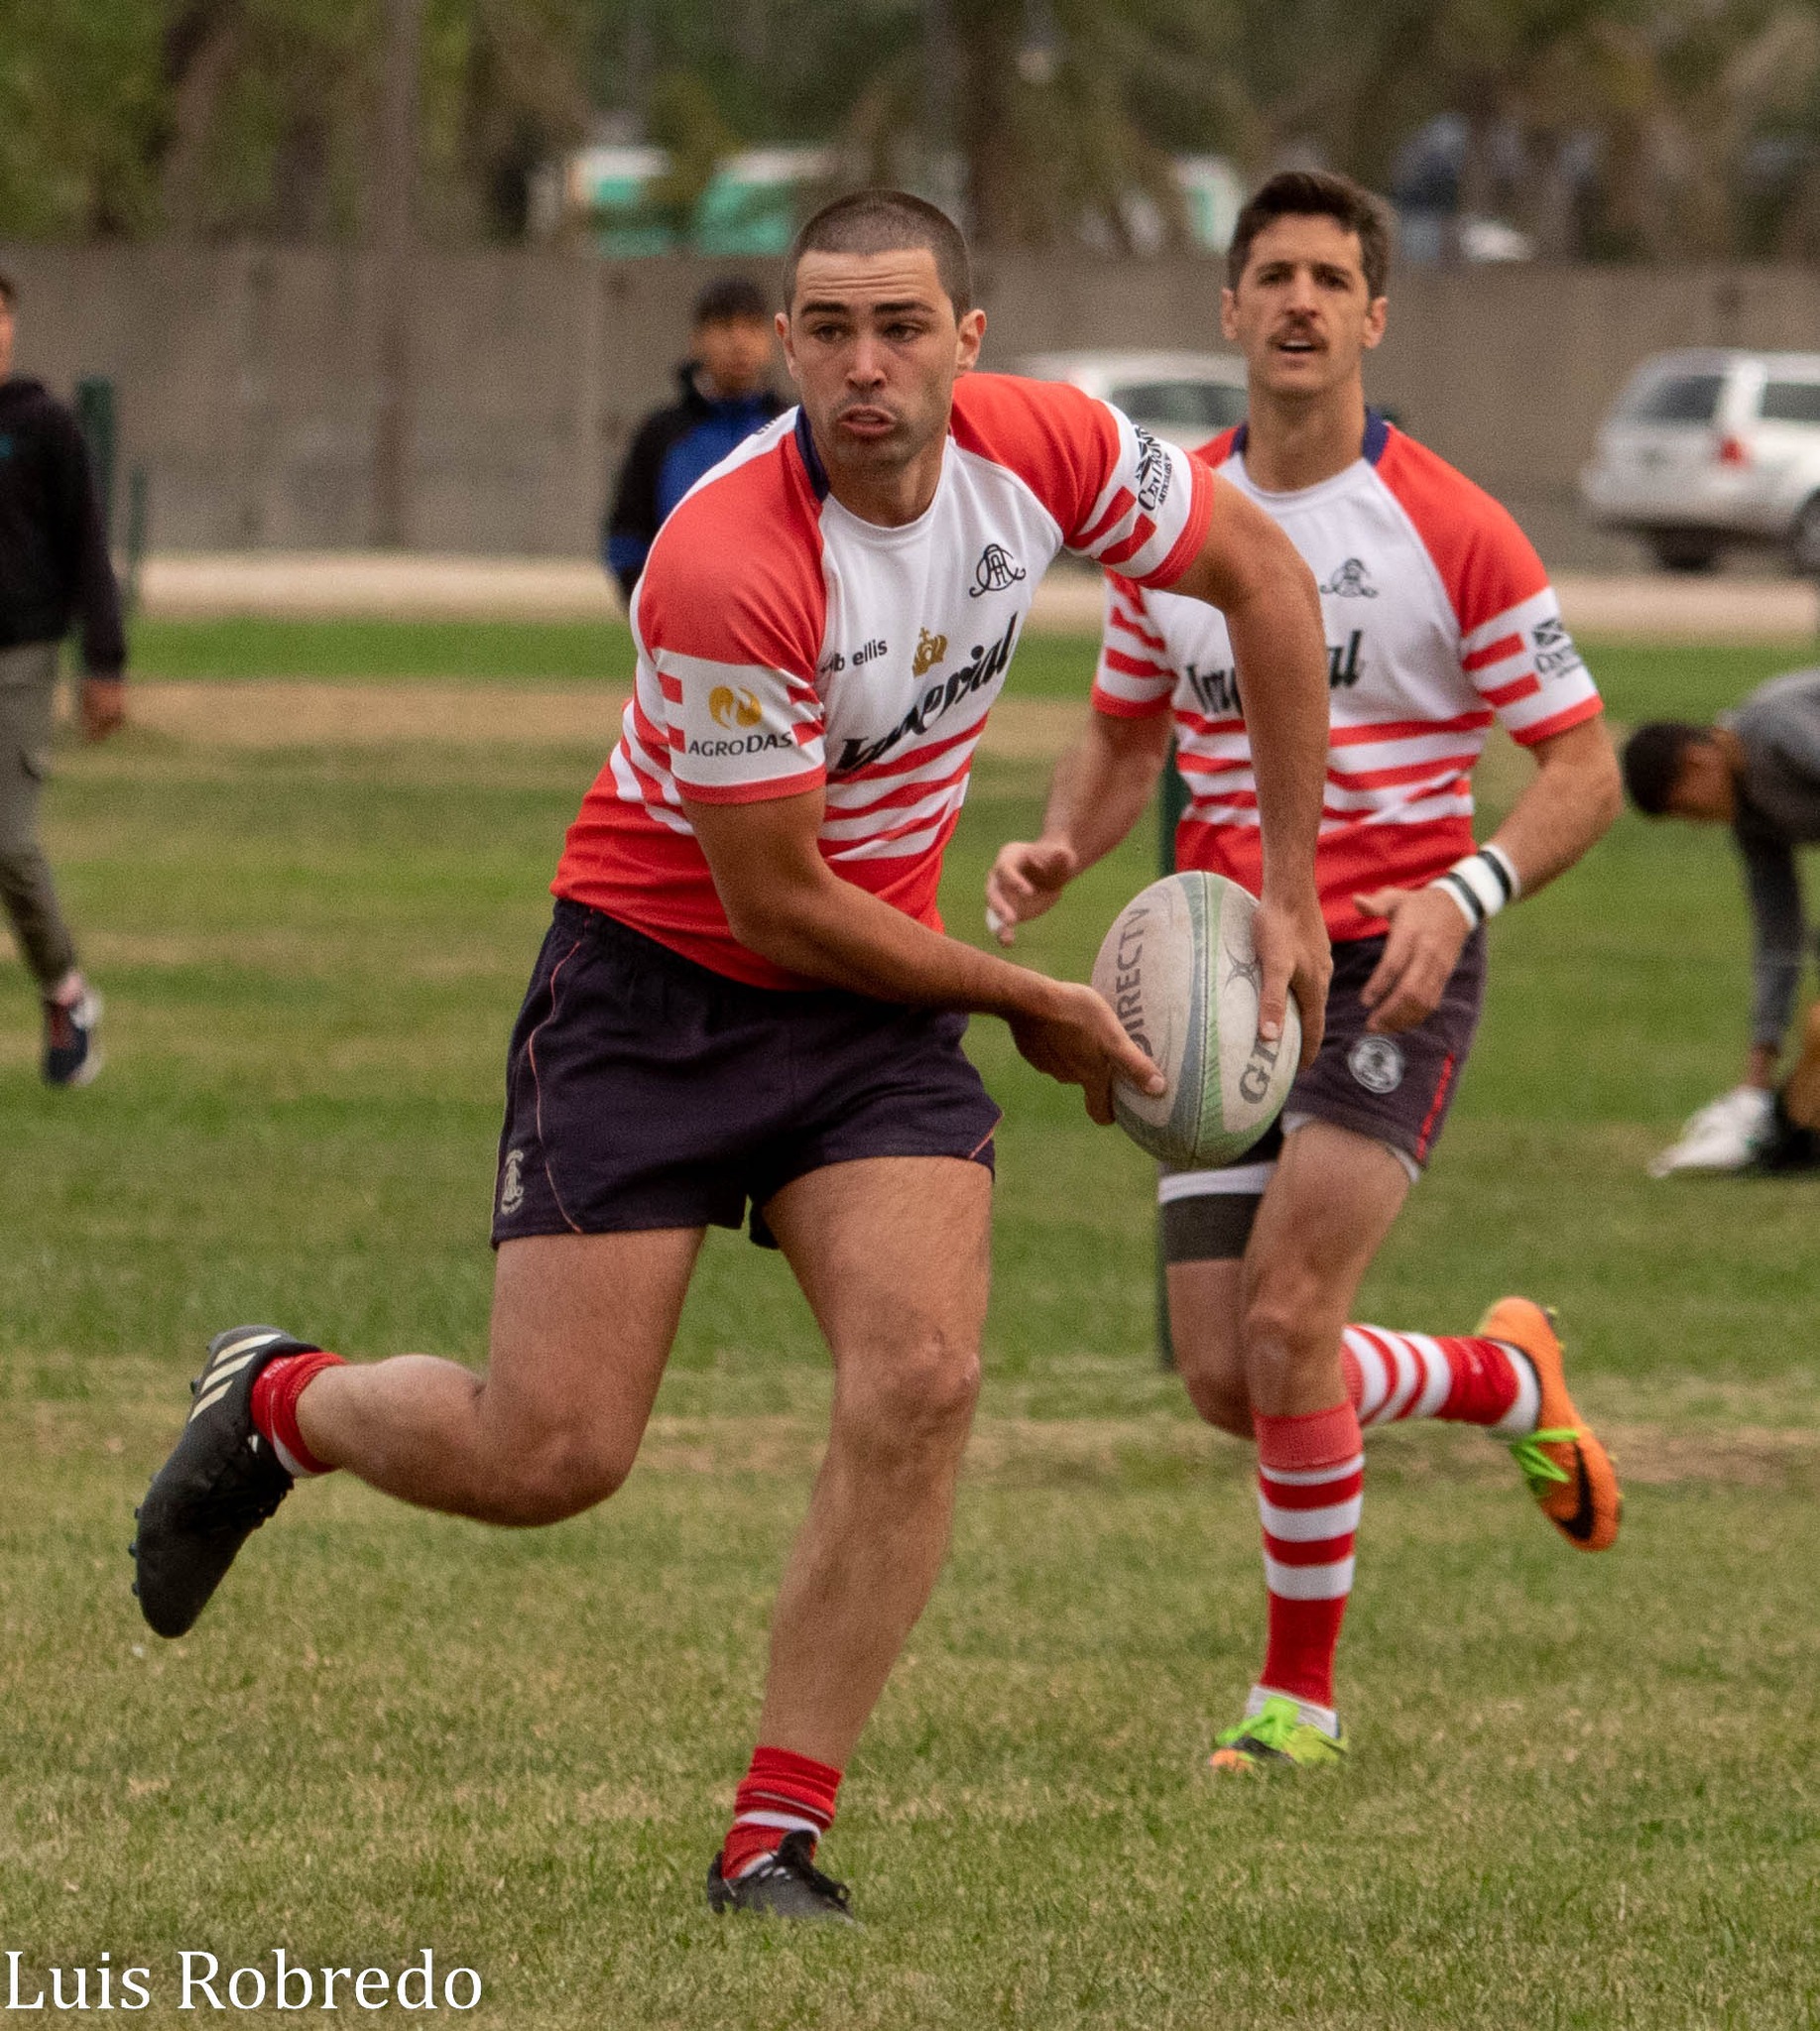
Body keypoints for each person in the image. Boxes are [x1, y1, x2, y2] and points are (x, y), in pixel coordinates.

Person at [133, 189, 1335, 1919]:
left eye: (903, 327)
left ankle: (774, 1834)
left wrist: (1288, 893)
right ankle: (276, 1398)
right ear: (785, 343)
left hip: (871, 1016)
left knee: (921, 1374)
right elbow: (774, 903)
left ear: (967, 342)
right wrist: (1036, 1001)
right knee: (554, 1453)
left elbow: (1264, 581)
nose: (867, 367)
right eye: (828, 330)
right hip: (655, 991)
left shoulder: (1052, 449)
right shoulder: (727, 554)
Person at [986, 169, 1626, 1773]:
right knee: (1230, 1375)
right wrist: (1068, 837)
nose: (1298, 302)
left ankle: (1299, 1705)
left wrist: (1464, 890)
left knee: (1289, 1319)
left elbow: (1584, 763)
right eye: (1271, 273)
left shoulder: (1451, 526)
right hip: (1222, 981)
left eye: (1329, 278)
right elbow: (1129, 724)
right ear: (1230, 306)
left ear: (1374, 316)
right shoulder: (1178, 519)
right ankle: (1499, 1376)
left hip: (1392, 962)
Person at [0, 267, 124, 1085]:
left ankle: (67, 992)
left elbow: (86, 546)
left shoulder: (42, 424)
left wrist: (104, 663)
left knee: (7, 842)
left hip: (20, 656)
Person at [1623, 673, 1820, 1175]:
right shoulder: (1749, 815)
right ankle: (1777, 1132)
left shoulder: (1777, 731)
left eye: (1686, 808)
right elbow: (1779, 937)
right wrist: (1754, 1076)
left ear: (1698, 762)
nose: (1695, 822)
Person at [601, 275, 787, 601]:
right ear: (697, 340)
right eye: (725, 326)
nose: (739, 341)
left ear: (775, 339)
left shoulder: (798, 430)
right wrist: (651, 607)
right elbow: (626, 539)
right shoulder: (661, 435)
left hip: (783, 629)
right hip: (681, 631)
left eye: (752, 326)